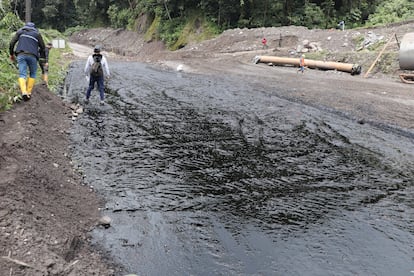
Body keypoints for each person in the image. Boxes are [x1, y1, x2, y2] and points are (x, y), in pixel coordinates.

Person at [9, 22, 46, 101]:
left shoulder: (20, 31)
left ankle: (24, 92)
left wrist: (11, 54)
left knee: (22, 74)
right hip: (33, 56)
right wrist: (39, 53)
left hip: (21, 55)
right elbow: (43, 47)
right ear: (34, 27)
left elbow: (12, 43)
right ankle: (29, 92)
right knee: (32, 74)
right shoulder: (37, 34)